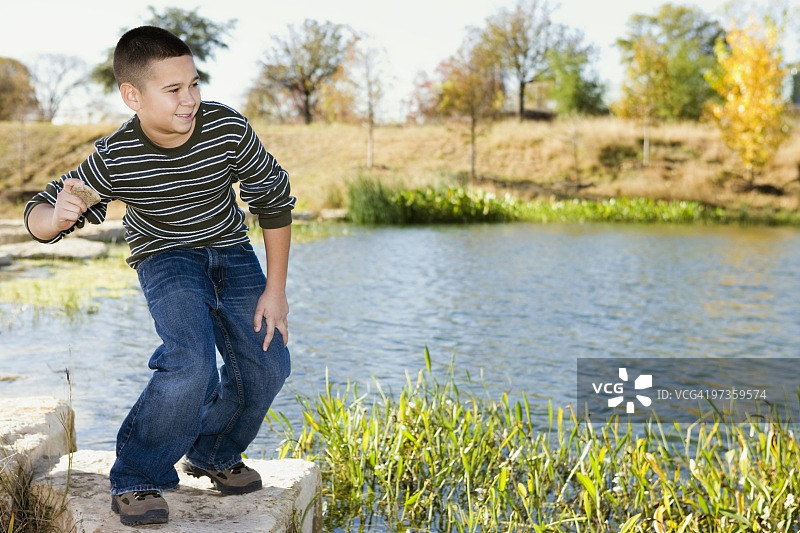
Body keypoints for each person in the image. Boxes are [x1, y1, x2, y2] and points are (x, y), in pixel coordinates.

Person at [24, 25, 294, 527]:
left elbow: (274, 203)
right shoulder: (117, 155)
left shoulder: (227, 129)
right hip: (166, 258)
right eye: (173, 90)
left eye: (194, 84)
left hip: (231, 252)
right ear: (133, 96)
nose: (189, 99)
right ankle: (137, 477)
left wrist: (275, 292)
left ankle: (213, 452)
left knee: (269, 364)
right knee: (190, 364)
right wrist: (59, 215)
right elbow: (42, 212)